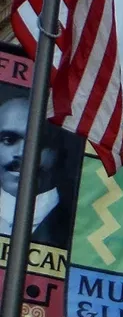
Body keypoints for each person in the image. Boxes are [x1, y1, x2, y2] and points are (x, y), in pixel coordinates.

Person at [0, 96, 74, 249]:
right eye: (9, 140)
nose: (22, 153)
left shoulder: (80, 227)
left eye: (38, 141)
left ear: (59, 150)